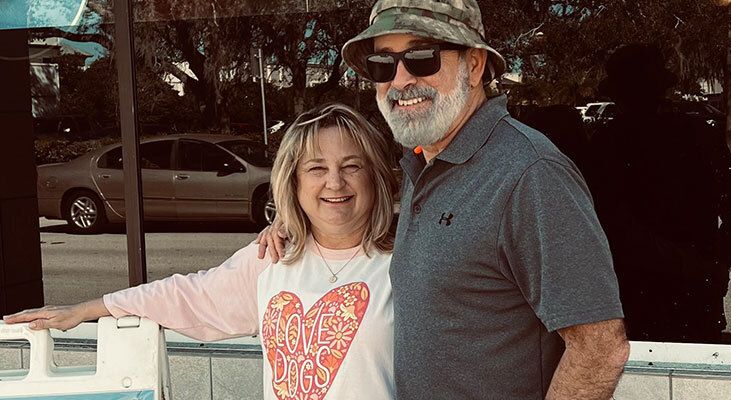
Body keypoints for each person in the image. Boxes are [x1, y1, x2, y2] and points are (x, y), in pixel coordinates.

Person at [259, 1, 629, 398]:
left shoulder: (529, 174)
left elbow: (601, 349)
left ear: (473, 64)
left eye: (421, 57)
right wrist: (294, 223)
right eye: (383, 64)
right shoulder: (426, 165)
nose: (400, 80)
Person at [5, 103, 401, 400]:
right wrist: (89, 309)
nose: (335, 182)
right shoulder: (272, 260)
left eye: (352, 166)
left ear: (375, 177)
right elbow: (186, 296)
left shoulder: (406, 263)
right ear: (293, 182)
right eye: (316, 168)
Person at [583, 44, 731, 343]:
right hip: (683, 293)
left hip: (640, 295)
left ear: (618, 95)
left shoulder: (608, 143)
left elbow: (613, 227)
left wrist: (707, 269)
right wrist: (711, 269)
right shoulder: (698, 134)